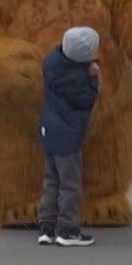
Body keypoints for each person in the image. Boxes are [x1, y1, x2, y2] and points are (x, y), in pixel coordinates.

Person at [36, 27, 101, 248]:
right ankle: (68, 230)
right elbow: (87, 99)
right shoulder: (78, 79)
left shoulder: (52, 63)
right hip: (68, 137)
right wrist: (93, 79)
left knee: (51, 180)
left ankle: (46, 227)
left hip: (48, 132)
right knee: (70, 184)